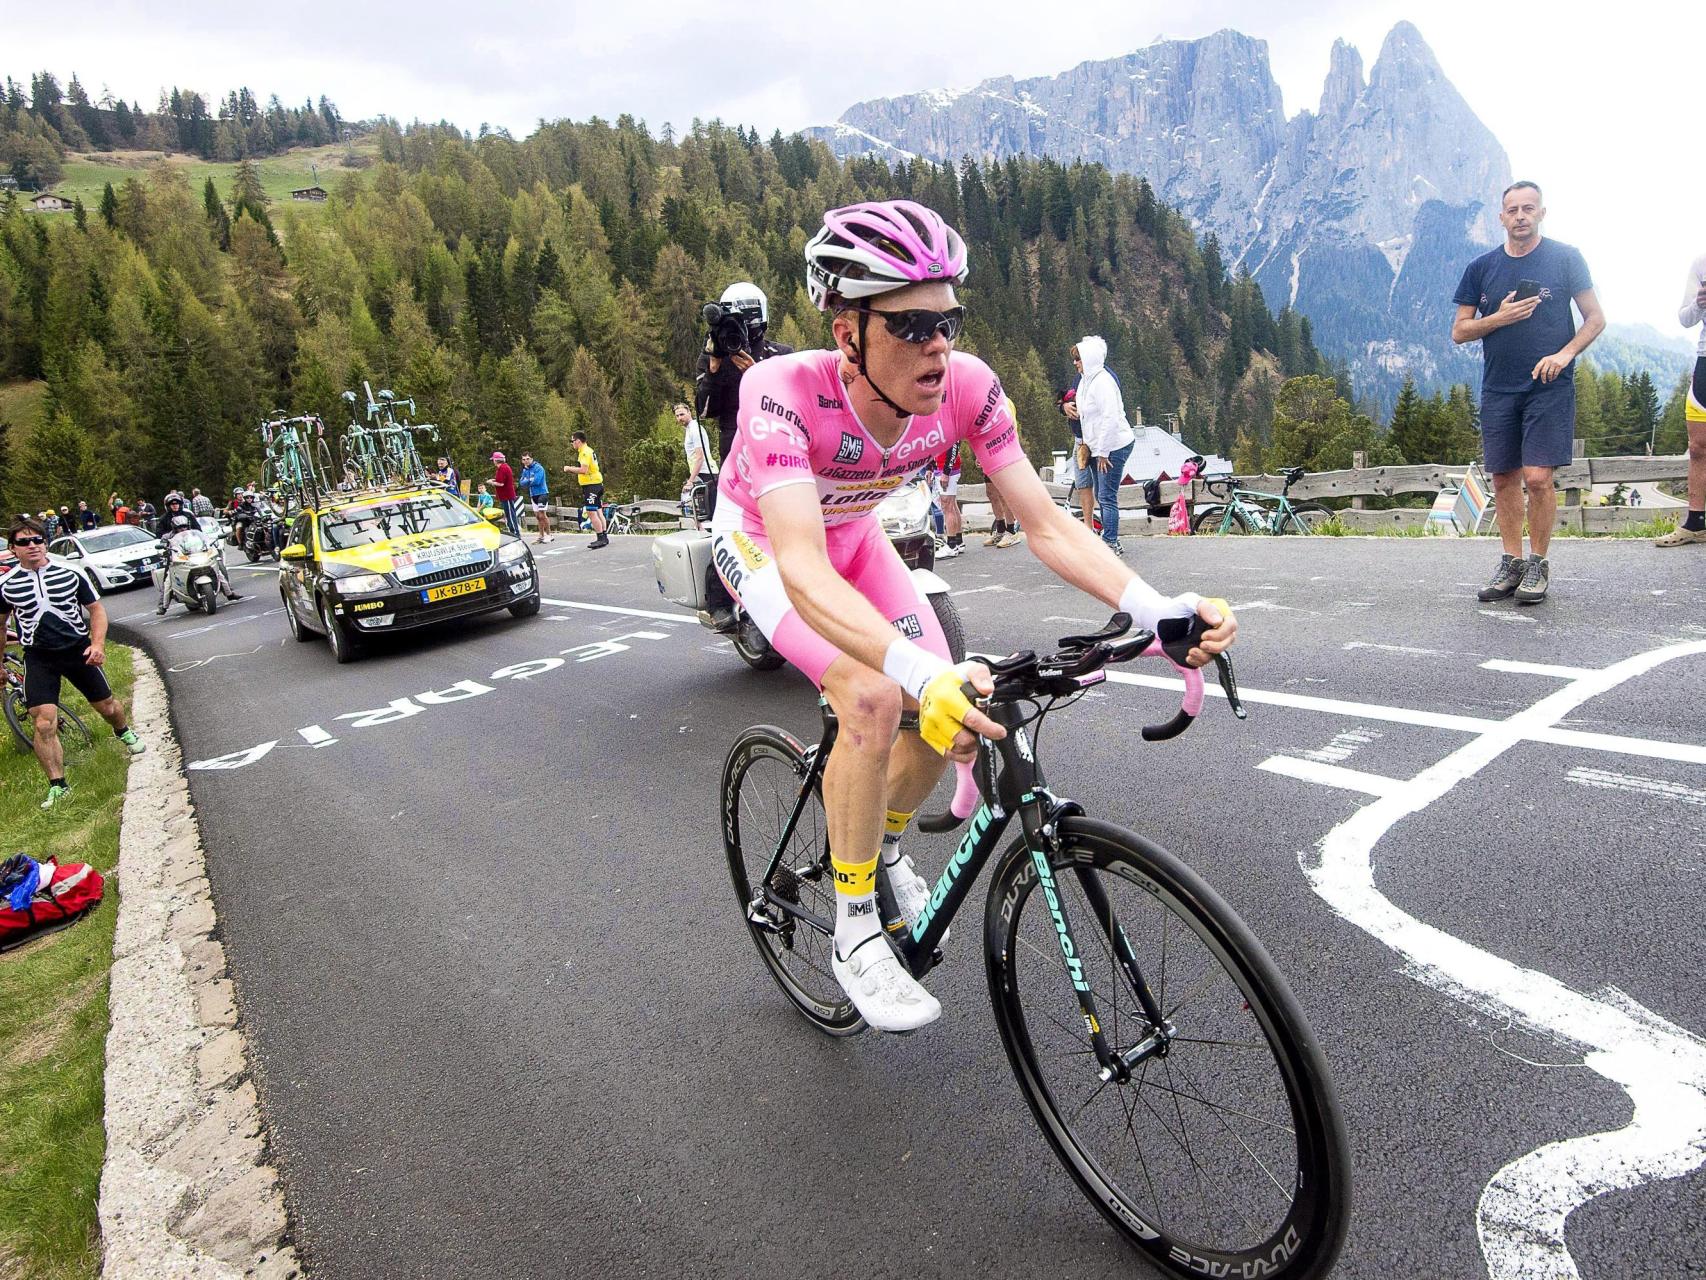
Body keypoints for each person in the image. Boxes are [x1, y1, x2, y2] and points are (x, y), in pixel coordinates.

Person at [709, 198, 1237, 1031]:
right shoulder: (781, 390)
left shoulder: (968, 389)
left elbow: (1047, 521)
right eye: (913, 324)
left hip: (853, 535)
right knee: (877, 696)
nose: (938, 345)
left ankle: (877, 845)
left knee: (941, 719)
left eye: (947, 319)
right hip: (769, 545)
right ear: (847, 331)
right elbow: (804, 569)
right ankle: (854, 933)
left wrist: (1156, 606)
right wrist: (915, 670)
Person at [1452, 181, 1604, 603]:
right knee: (1503, 477)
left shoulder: (1566, 258)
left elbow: (1595, 318)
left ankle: (1538, 563)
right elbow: (1460, 331)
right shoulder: (1481, 267)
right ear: (1501, 217)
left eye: (1528, 208)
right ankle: (1511, 562)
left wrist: (1564, 354)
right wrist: (1498, 318)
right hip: (1498, 387)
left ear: (1541, 213)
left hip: (1548, 385)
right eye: (1512, 209)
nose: (1520, 216)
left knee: (1537, 477)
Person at [0, 517, 146, 808]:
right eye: (25, 542)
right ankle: (58, 785)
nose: (33, 546)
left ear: (45, 543)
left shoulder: (71, 572)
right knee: (43, 722)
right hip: (39, 657)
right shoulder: (6, 584)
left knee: (108, 707)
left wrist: (98, 644)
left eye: (38, 540)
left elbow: (96, 610)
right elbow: (1, 625)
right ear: (13, 549)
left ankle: (122, 731)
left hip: (78, 651)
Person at [695, 282, 793, 521]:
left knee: (778, 516)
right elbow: (704, 410)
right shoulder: (711, 357)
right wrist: (714, 370)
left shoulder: (780, 354)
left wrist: (755, 373)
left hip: (776, 449)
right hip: (733, 452)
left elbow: (793, 407)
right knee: (736, 520)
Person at [1655, 252, 1706, 547]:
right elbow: (1684, 318)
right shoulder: (1700, 263)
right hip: (1704, 359)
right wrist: (1699, 305)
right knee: (1698, 447)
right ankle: (1696, 523)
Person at [1072, 337, 1136, 555]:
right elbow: (1086, 417)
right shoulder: (1084, 381)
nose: (1075, 363)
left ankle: (1110, 542)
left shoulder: (1103, 382)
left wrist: (1103, 453)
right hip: (1096, 446)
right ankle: (1109, 538)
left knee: (1107, 495)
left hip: (1113, 446)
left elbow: (1110, 420)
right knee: (1102, 493)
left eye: (1078, 358)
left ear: (1088, 359)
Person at [155, 494, 241, 613]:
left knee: (217, 569)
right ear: (168, 506)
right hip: (176, 552)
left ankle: (229, 593)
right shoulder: (165, 518)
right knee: (168, 578)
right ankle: (163, 605)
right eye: (172, 504)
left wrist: (206, 543)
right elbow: (159, 534)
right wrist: (166, 543)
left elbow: (198, 531)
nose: (175, 506)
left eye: (177, 504)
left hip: (194, 549)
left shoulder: (188, 514)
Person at [1059, 387, 1097, 532]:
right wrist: (1064, 407)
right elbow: (1059, 402)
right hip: (1080, 440)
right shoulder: (1076, 379)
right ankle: (1089, 527)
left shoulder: (1101, 378)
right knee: (1083, 484)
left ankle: (1110, 535)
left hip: (1096, 439)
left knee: (1102, 489)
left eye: (1078, 361)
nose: (1075, 362)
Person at [562, 432, 608, 549]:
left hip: (591, 485)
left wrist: (569, 468)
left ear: (578, 441)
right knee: (598, 512)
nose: (572, 443)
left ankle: (600, 538)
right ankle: (604, 536)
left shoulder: (584, 452)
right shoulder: (588, 450)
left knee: (591, 512)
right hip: (596, 483)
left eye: (572, 441)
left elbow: (583, 470)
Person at [935, 443, 965, 555]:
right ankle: (958, 541)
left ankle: (951, 545)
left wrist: (946, 472)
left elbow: (953, 447)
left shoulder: (948, 427)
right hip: (940, 466)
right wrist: (930, 467)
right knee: (952, 504)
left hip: (947, 468)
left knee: (947, 506)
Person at [517, 451, 552, 544]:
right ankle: (541, 536)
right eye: (524, 459)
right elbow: (521, 483)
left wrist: (527, 481)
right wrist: (529, 480)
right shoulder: (525, 470)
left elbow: (537, 481)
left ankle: (549, 535)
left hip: (542, 493)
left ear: (532, 459)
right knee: (537, 516)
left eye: (528, 459)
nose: (526, 461)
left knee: (542, 515)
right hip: (533, 495)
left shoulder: (538, 468)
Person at [488, 450, 520, 537]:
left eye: (493, 460)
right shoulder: (504, 467)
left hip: (507, 495)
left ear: (496, 460)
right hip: (505, 495)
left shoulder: (502, 468)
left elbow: (501, 483)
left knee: (510, 514)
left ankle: (515, 532)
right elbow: (500, 480)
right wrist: (494, 480)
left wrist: (491, 483)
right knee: (509, 514)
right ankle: (512, 530)